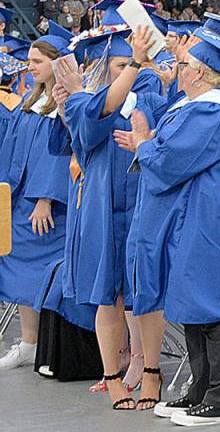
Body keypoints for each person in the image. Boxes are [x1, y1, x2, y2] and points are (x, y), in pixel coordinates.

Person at [115, 28, 220, 425]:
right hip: (202, 220)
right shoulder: (199, 105)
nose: (176, 70)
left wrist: (145, 143)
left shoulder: (214, 110)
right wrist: (148, 144)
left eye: (182, 65)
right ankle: (200, 389)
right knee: (194, 305)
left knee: (215, 307)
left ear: (199, 73)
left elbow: (170, 160)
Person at [53, 27, 169, 409]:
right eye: (118, 65)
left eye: (129, 64)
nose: (128, 71)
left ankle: (151, 371)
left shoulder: (149, 94)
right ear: (102, 67)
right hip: (103, 207)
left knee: (146, 292)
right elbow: (93, 117)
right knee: (111, 296)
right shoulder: (81, 102)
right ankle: (113, 377)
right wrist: (133, 65)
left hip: (141, 201)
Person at [0, 31, 71, 371]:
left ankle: (48, 346)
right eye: (29, 62)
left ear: (57, 62)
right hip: (20, 200)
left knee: (43, 273)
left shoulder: (63, 104)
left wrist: (45, 197)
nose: (30, 68)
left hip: (48, 206)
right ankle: (29, 342)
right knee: (18, 267)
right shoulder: (31, 101)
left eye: (37, 61)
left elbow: (58, 155)